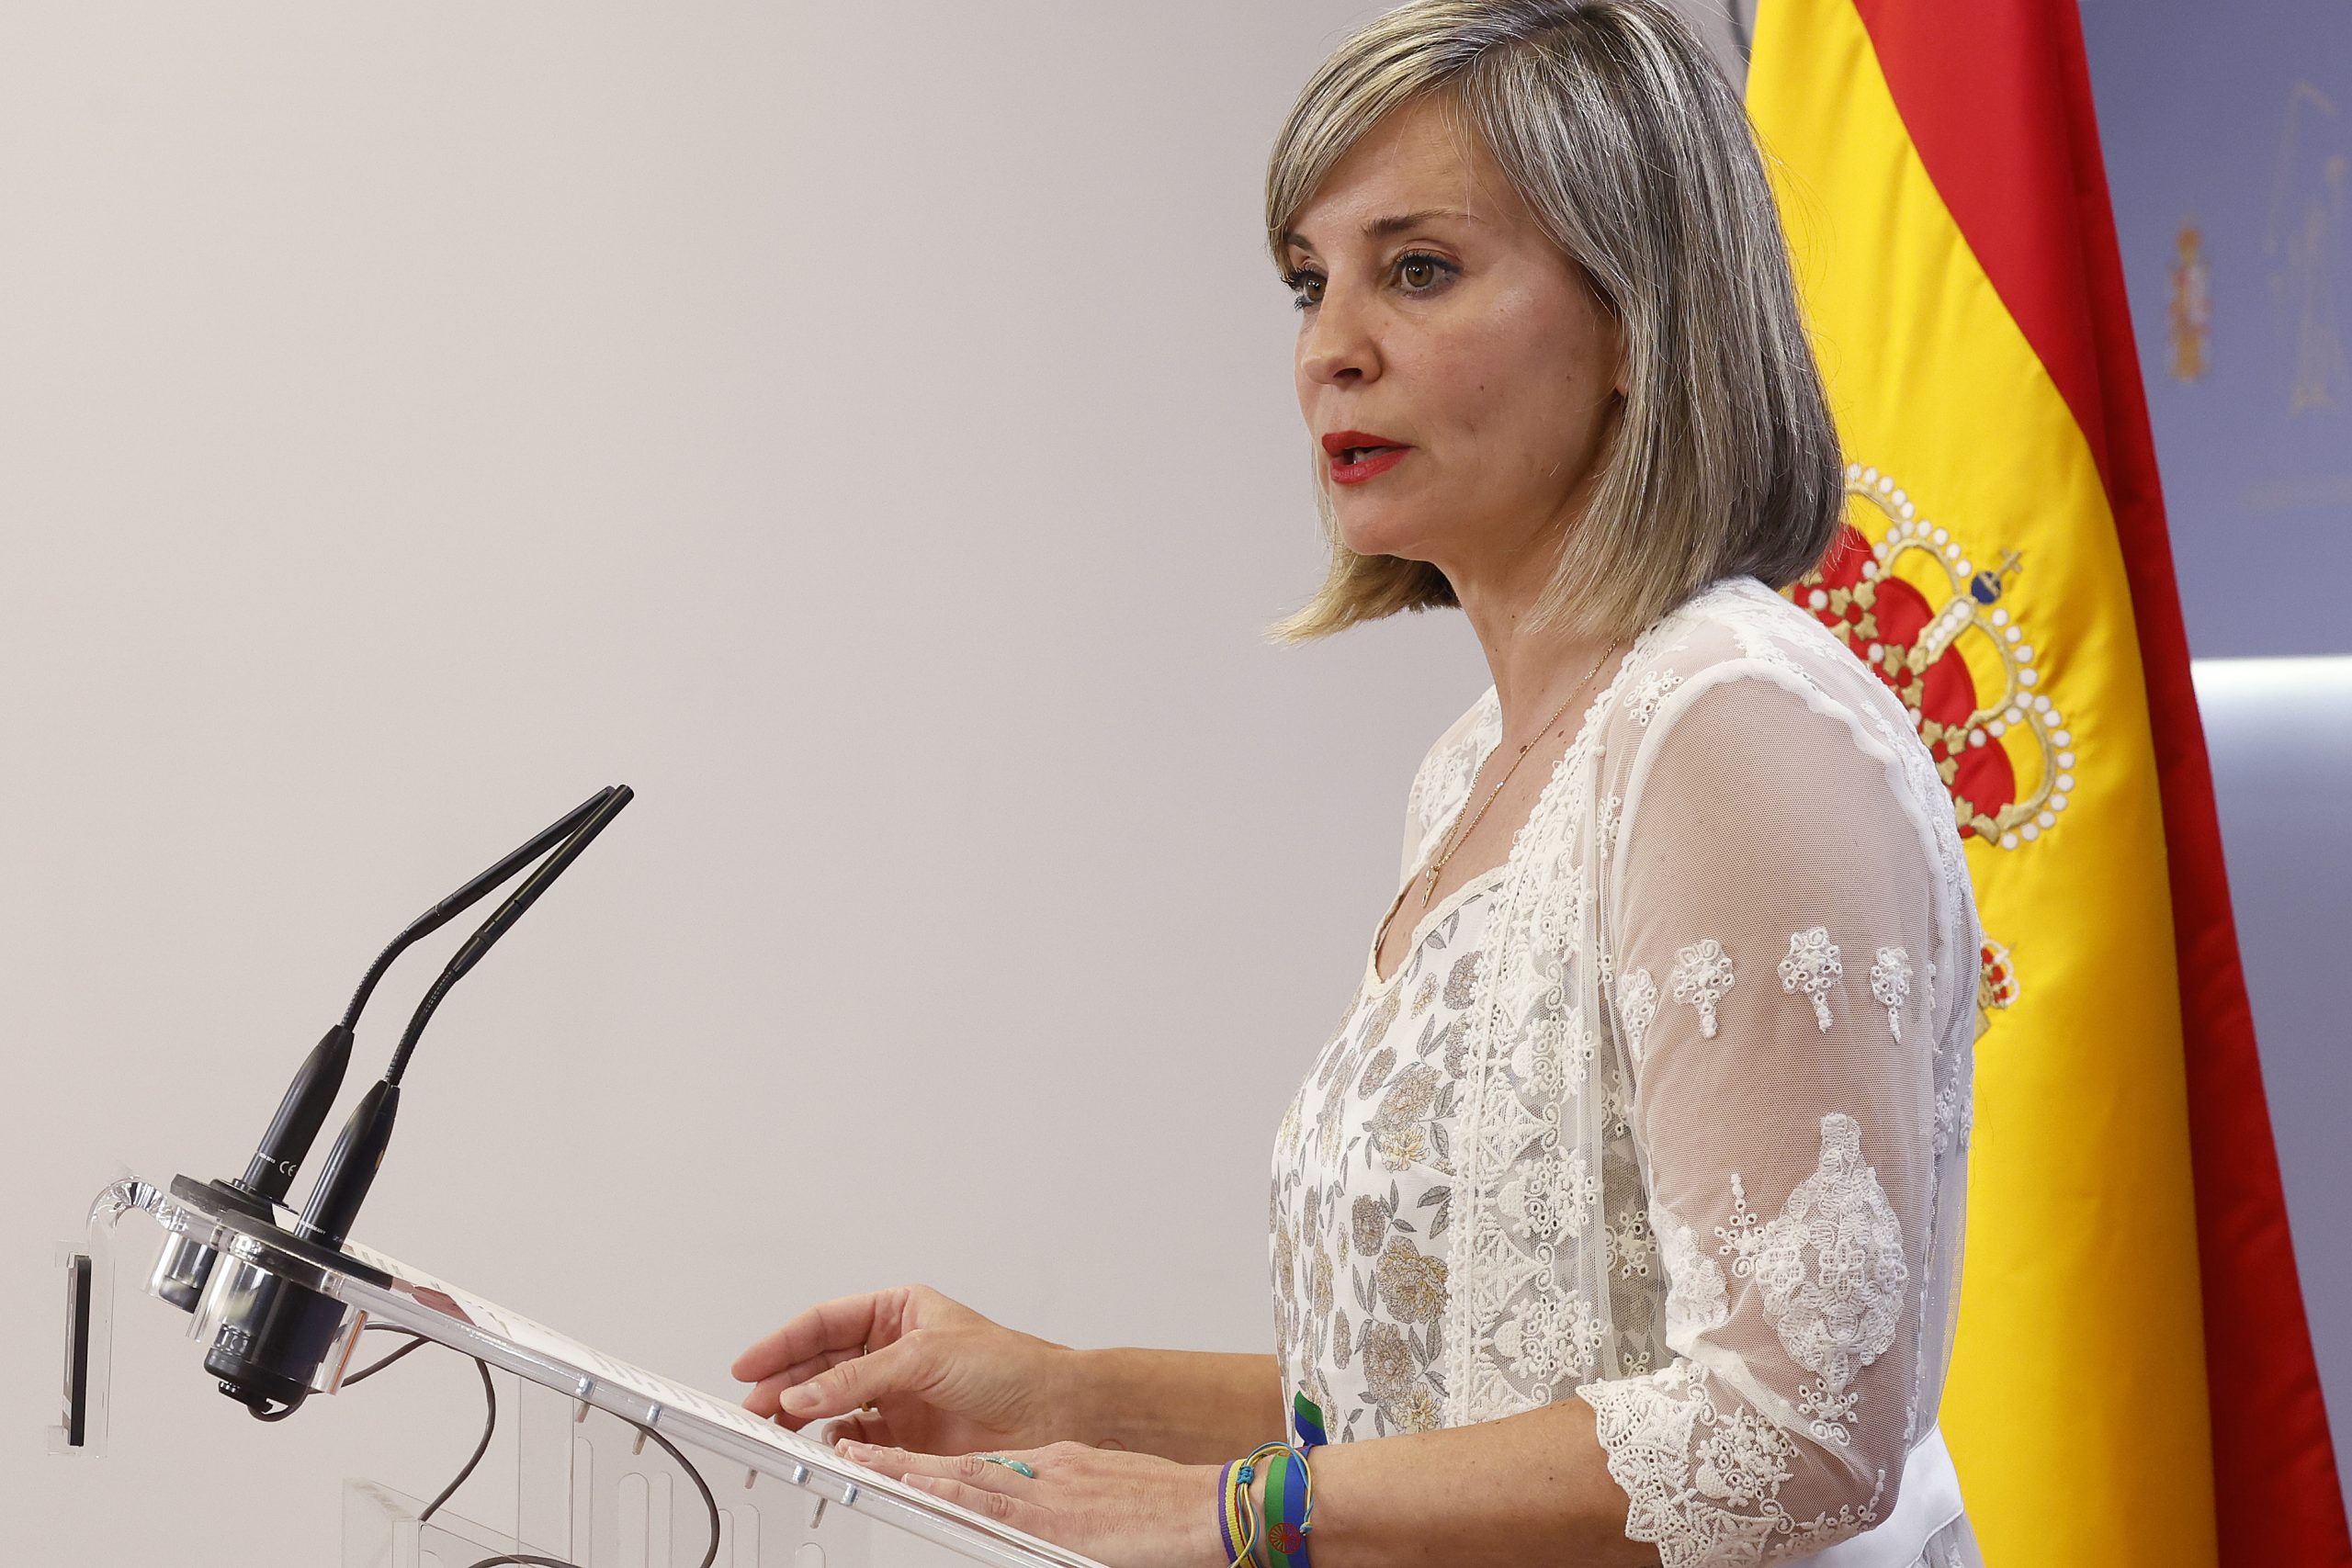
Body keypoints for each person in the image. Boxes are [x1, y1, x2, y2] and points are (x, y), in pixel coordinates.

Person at [732, 2, 1984, 1563]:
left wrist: (1242, 1513)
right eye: (1307, 281)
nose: (1331, 346)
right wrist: (1068, 1394)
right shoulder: (1477, 769)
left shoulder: (1735, 733)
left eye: (1420, 269)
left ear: (1638, 323)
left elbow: (1797, 1431)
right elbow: (1471, 1386)